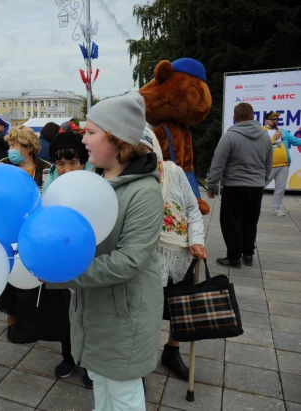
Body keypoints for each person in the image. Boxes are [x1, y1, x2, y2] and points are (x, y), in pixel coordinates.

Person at [48, 92, 163, 411]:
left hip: (124, 316)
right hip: (90, 310)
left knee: (124, 394)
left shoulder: (144, 191)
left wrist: (67, 272)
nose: (83, 139)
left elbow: (129, 261)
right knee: (99, 382)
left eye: (91, 132)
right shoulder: (91, 181)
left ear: (117, 139)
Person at [140, 128, 207, 381]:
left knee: (181, 308)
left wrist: (197, 240)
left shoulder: (174, 171)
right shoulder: (132, 177)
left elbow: (191, 209)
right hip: (150, 256)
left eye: (147, 150)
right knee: (147, 312)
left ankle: (171, 351)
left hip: (182, 253)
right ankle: (140, 364)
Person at [44, 130, 93, 389]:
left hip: (89, 260)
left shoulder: (95, 184)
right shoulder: (50, 184)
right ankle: (70, 356)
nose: (66, 169)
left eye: (72, 162)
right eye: (60, 163)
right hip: (61, 258)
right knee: (65, 314)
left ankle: (90, 362)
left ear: (84, 162)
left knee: (89, 314)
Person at [0, 125, 51, 344]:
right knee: (11, 270)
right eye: (9, 145)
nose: (10, 149)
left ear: (27, 148)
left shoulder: (46, 168)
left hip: (36, 229)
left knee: (32, 269)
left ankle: (32, 315)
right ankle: (11, 311)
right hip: (10, 227)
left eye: (14, 145)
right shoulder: (3, 166)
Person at [207, 102, 273, 268]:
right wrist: (262, 180)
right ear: (253, 116)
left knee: (231, 222)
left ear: (234, 118)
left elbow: (218, 163)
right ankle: (248, 254)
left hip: (234, 186)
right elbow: (269, 164)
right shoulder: (265, 137)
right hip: (256, 187)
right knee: (250, 221)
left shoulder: (230, 136)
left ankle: (234, 257)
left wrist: (211, 185)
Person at [262, 111, 301, 217]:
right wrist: (273, 138)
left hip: (284, 165)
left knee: (280, 188)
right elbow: (261, 147)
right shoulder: (261, 132)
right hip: (268, 166)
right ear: (266, 120)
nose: (275, 121)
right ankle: (250, 206)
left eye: (276, 119)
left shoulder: (283, 131)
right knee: (259, 186)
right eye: (272, 119)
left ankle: (276, 208)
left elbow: (297, 141)